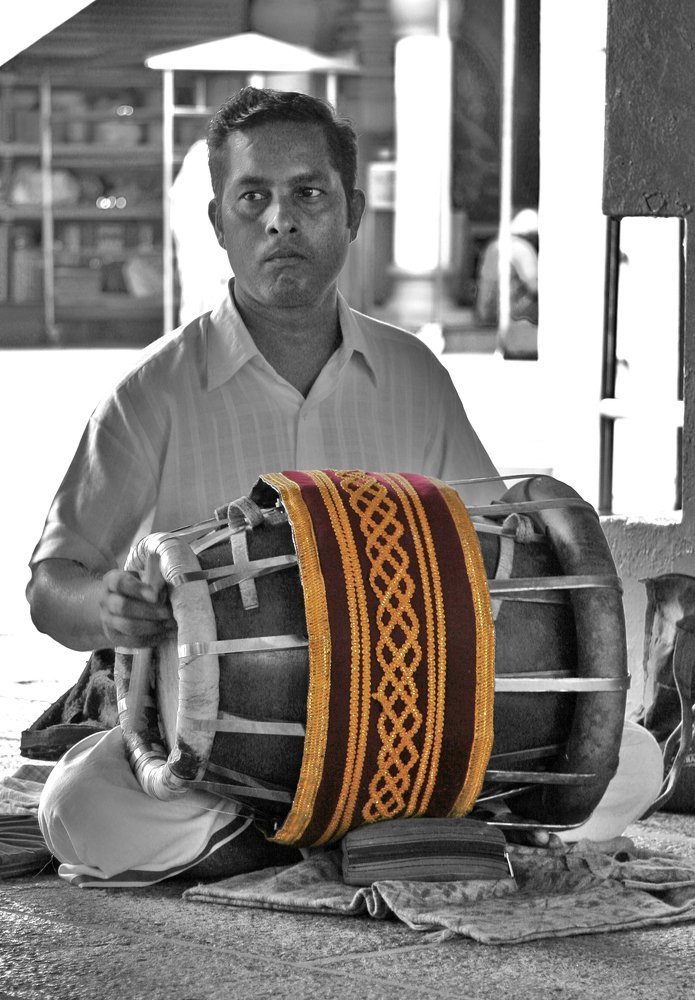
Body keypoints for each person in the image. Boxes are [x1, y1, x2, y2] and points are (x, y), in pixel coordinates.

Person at [27, 88, 500, 888]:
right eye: (254, 198)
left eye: (308, 194)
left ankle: (290, 840)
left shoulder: (413, 375)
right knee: (80, 809)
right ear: (220, 224)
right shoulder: (154, 391)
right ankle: (342, 835)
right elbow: (49, 587)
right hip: (213, 750)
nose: (281, 220)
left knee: (616, 760)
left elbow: (492, 547)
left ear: (350, 211)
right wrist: (106, 604)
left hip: (396, 729)